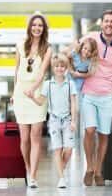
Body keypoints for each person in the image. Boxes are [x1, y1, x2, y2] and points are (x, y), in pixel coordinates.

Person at [77, 10, 112, 186]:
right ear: (101, 23)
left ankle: (99, 171)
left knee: (103, 134)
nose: (109, 24)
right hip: (88, 94)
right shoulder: (91, 37)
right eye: (106, 21)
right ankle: (89, 168)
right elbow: (75, 49)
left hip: (107, 96)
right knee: (89, 130)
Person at [12, 12, 52, 188]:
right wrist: (15, 92)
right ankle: (28, 168)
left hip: (36, 94)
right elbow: (16, 70)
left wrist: (33, 90)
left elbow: (42, 73)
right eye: (34, 25)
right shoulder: (20, 45)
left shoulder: (48, 49)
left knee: (36, 135)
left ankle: (33, 176)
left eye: (40, 26)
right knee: (25, 138)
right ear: (30, 27)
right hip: (21, 94)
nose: (37, 28)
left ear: (44, 29)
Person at [27, 54, 77, 188]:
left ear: (65, 68)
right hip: (54, 120)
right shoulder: (48, 84)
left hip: (67, 120)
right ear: (53, 68)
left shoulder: (70, 84)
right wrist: (32, 97)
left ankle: (61, 168)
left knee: (69, 149)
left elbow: (73, 104)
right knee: (57, 149)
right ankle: (62, 178)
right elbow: (41, 101)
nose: (59, 68)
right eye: (57, 66)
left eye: (62, 66)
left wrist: (74, 120)